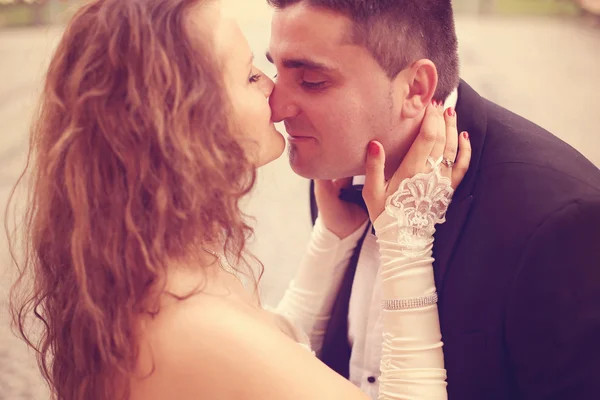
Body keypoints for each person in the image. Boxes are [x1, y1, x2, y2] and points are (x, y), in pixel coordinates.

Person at [7, 0, 471, 399]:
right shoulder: (187, 322)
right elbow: (239, 354)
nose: (274, 92)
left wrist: (329, 239)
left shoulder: (152, 264)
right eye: (251, 76)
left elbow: (266, 363)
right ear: (185, 124)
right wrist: (408, 241)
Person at [265, 1, 600, 399]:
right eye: (275, 70)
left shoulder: (558, 222)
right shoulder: (336, 171)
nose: (276, 107)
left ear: (415, 88)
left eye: (313, 81)